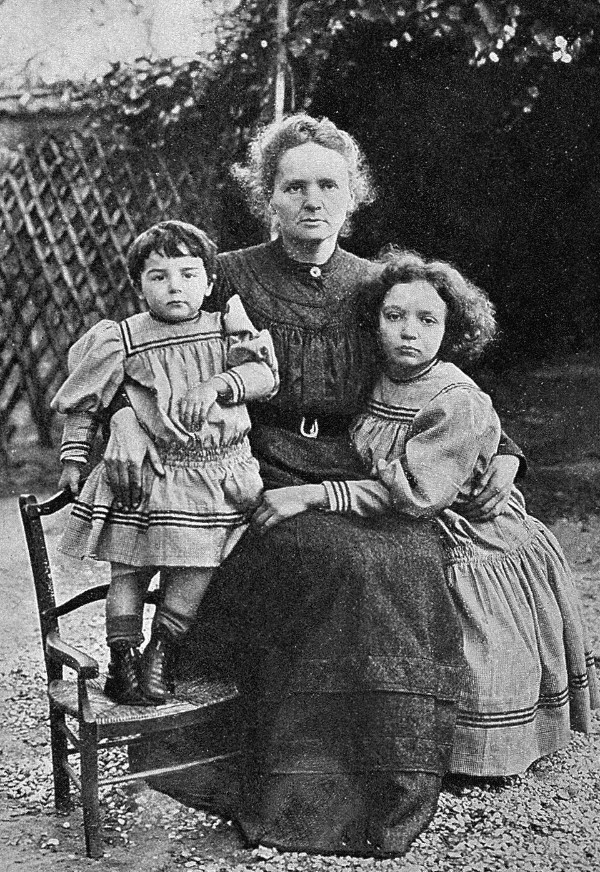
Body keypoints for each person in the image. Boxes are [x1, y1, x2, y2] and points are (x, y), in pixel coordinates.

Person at [102, 116, 524, 856]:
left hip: (365, 472)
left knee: (410, 558)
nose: (311, 199)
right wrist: (127, 424)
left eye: (328, 184)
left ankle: (393, 767)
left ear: (353, 194)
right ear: (268, 196)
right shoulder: (225, 275)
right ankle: (306, 786)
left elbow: (436, 380)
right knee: (338, 563)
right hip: (252, 471)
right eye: (293, 185)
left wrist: (509, 454)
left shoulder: (377, 285)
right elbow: (143, 348)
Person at [255, 248, 599, 777]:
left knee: (475, 648)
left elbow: (417, 492)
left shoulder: (453, 399)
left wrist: (314, 494)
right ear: (373, 324)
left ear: (451, 328)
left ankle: (480, 752)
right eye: (393, 317)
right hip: (410, 514)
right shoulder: (374, 378)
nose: (408, 332)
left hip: (469, 529)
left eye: (427, 320)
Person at [51, 220, 278, 705]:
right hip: (147, 476)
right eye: (158, 276)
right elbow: (85, 400)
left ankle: (161, 653)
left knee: (196, 570)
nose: (174, 285)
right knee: (129, 573)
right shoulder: (123, 338)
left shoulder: (225, 327)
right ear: (138, 285)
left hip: (214, 476)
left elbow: (263, 374)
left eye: (187, 273)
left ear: (210, 282)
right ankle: (123, 659)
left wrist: (218, 385)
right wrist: (74, 458)